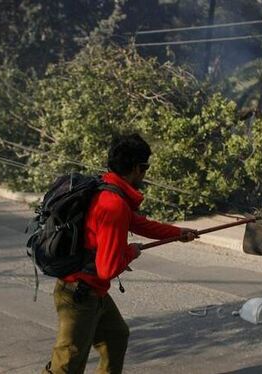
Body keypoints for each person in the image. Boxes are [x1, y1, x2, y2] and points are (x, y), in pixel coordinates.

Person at [44, 133, 198, 374]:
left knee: (116, 337)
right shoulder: (113, 204)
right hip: (79, 294)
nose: (145, 174)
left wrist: (178, 233)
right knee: (67, 365)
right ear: (137, 168)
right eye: (145, 168)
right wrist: (130, 252)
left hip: (91, 290)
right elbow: (108, 268)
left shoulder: (108, 189)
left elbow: (140, 224)